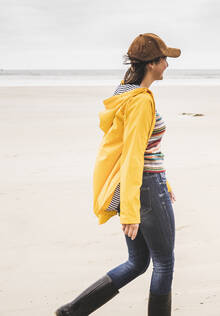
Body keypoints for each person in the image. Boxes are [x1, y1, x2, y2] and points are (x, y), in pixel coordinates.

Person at [55, 33, 181, 316]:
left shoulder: (125, 94)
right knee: (164, 262)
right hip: (144, 188)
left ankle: (72, 312)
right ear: (152, 64)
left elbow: (140, 149)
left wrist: (165, 180)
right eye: (164, 60)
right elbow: (134, 154)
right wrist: (131, 212)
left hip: (135, 185)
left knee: (137, 262)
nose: (167, 66)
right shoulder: (141, 102)